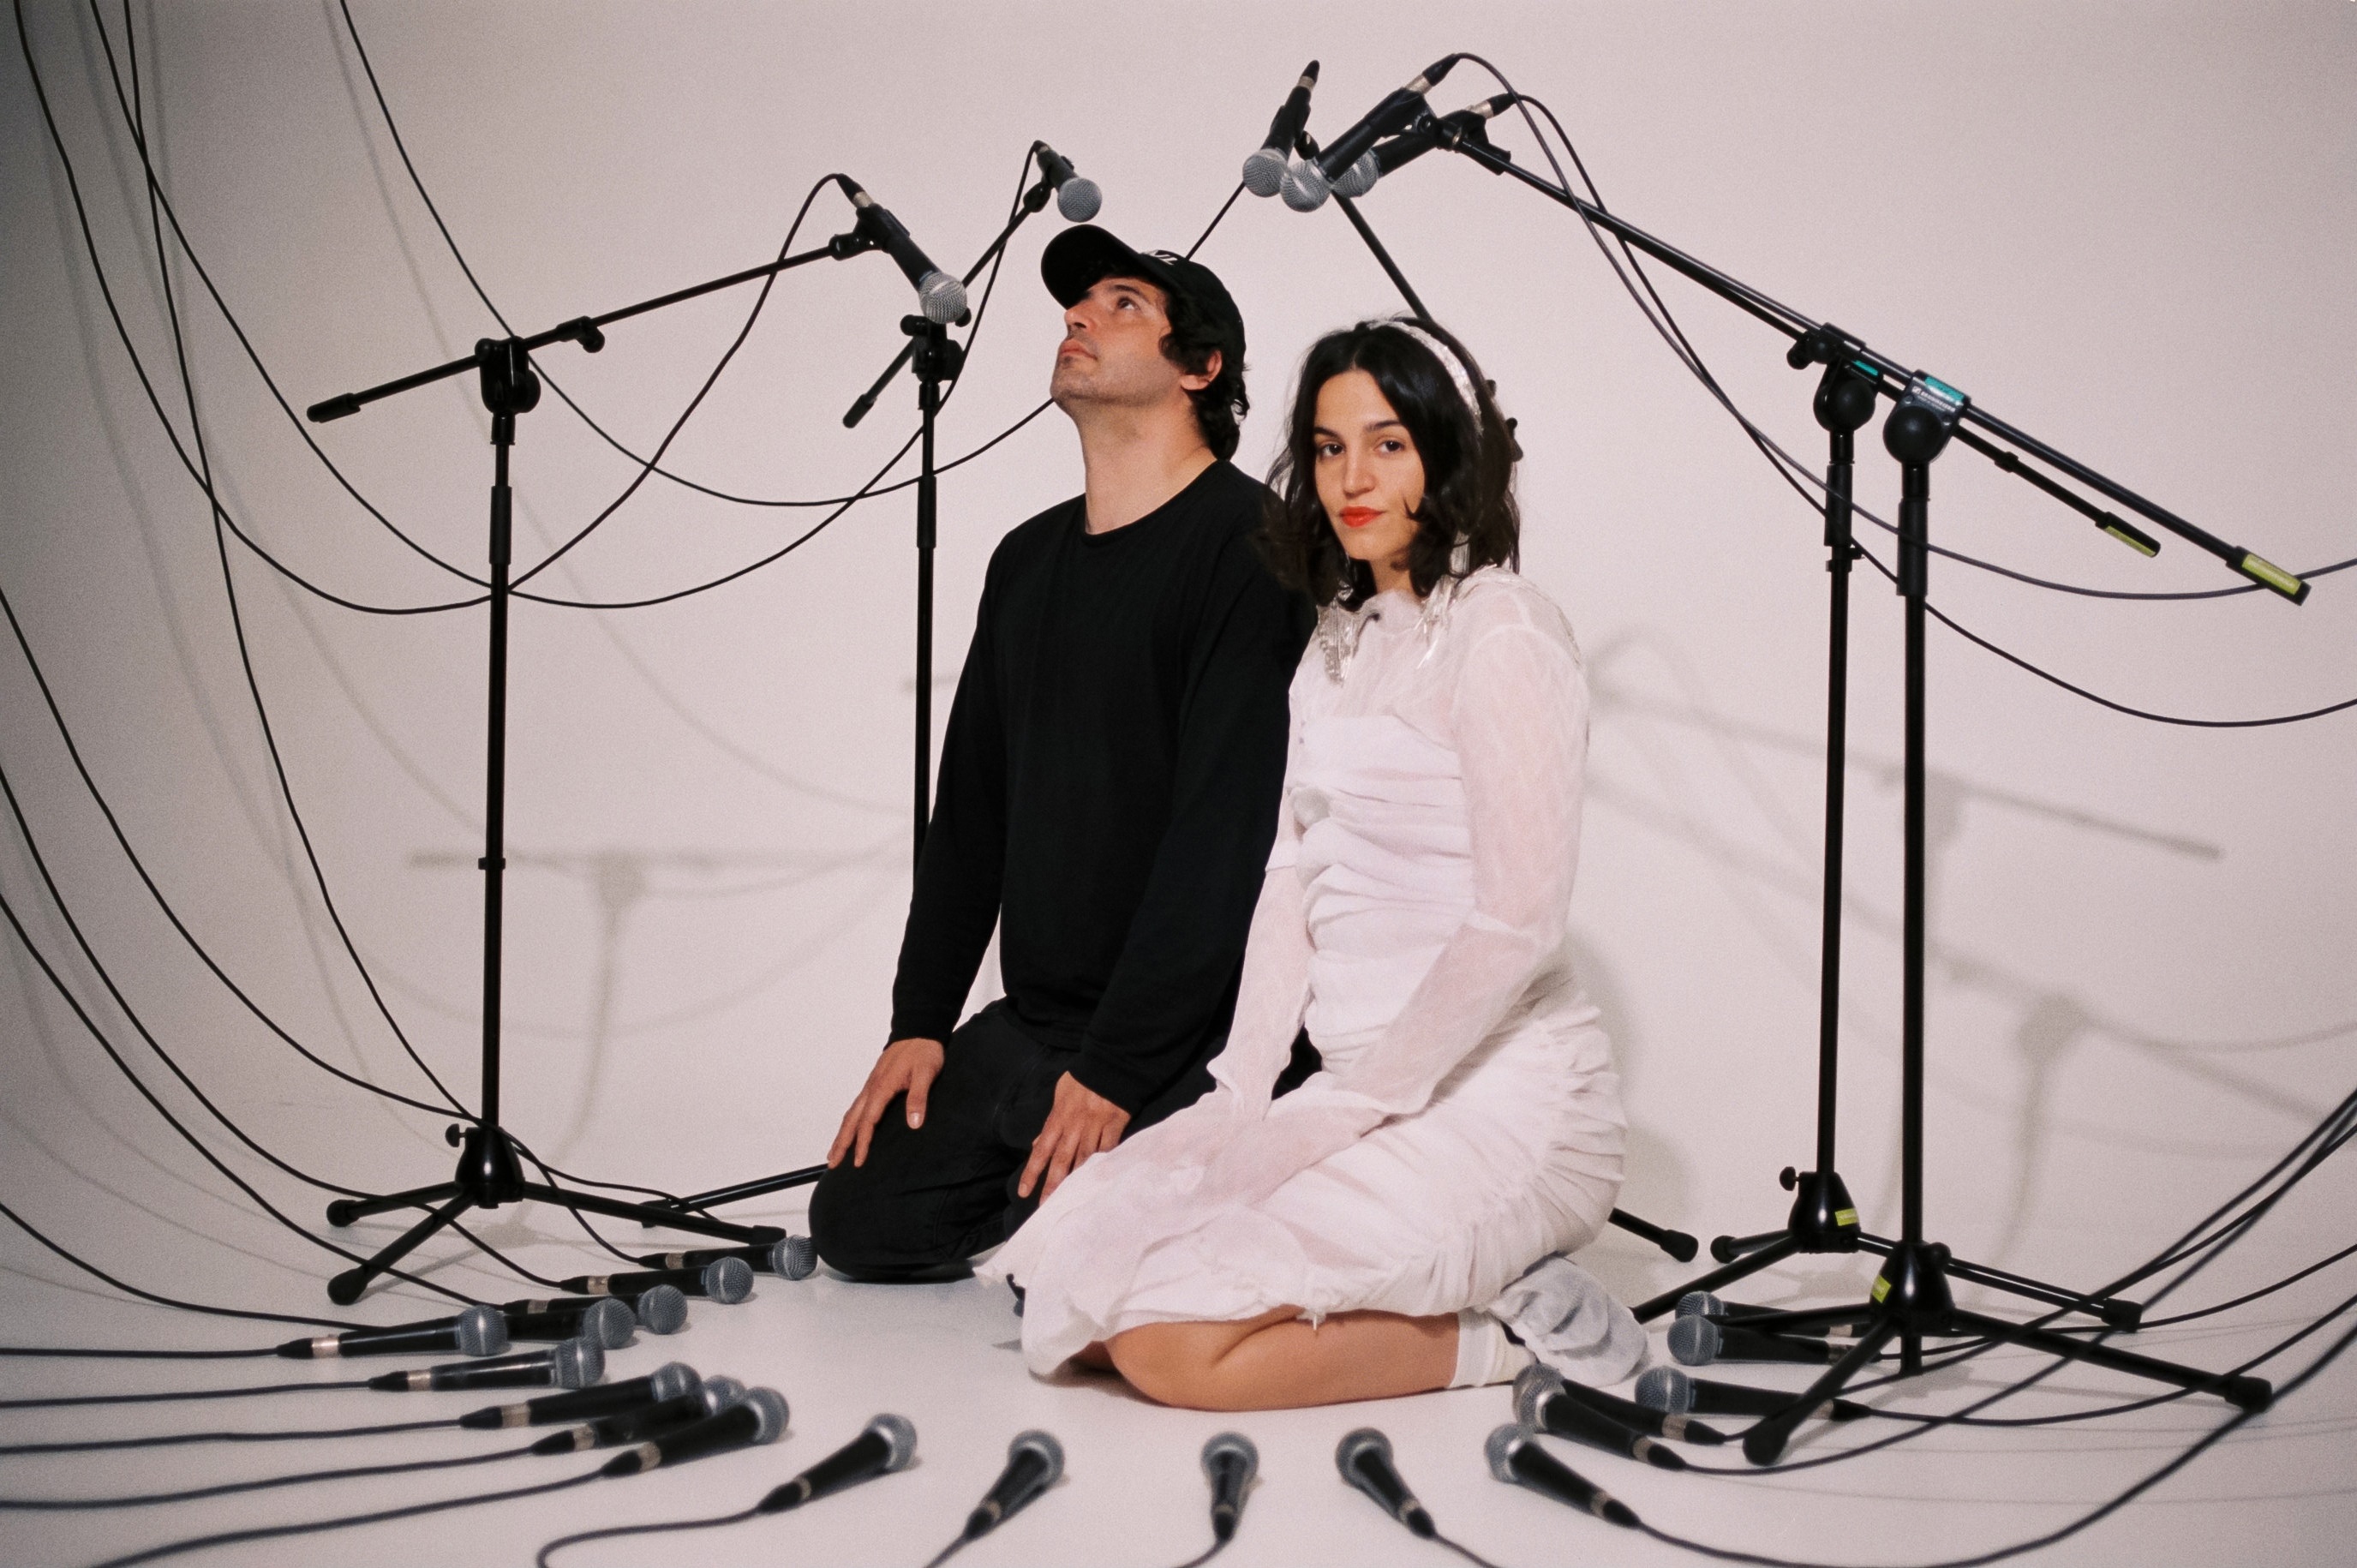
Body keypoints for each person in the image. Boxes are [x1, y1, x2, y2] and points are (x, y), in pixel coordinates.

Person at [984, 317, 1645, 1408]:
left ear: (1450, 454)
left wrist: (1352, 1105)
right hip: (1350, 1090)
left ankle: (1504, 1338)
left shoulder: (1503, 630)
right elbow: (1288, 881)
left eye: (1388, 445)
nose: (1353, 479)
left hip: (1496, 1105)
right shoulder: (1336, 645)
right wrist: (1242, 1093)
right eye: (1331, 448)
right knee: (1067, 1283)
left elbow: (1515, 923)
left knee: (1168, 1345)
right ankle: (1449, 1280)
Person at [807, 227, 1313, 1281]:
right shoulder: (1027, 561)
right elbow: (971, 812)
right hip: (1036, 1025)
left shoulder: (1249, 548)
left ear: (1199, 366)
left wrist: (1120, 1068)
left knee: (1086, 1273)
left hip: (1191, 1031)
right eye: (1077, 305)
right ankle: (1057, 1185)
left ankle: (1162, 1172)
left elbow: (1222, 840)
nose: (1078, 317)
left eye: (1123, 304)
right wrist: (919, 1023)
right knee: (860, 1223)